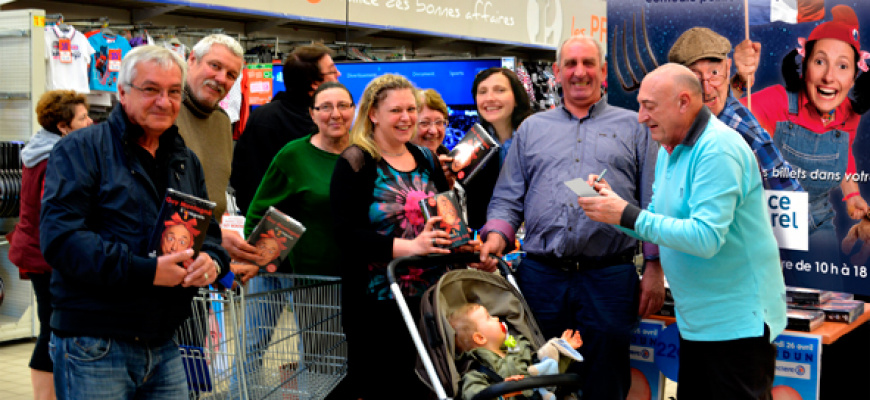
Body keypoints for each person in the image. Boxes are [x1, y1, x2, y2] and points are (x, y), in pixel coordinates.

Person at [578, 63, 787, 400]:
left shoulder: (717, 149)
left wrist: (627, 215)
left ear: (684, 102)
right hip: (698, 325)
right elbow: (660, 222)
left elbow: (705, 239)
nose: (640, 117)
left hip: (736, 329)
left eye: (649, 106)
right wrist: (613, 206)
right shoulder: (669, 149)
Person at [476, 35, 663, 400]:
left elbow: (654, 201)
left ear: (604, 72)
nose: (580, 72)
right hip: (541, 278)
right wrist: (496, 236)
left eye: (589, 63)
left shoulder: (636, 127)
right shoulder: (531, 129)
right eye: (571, 64)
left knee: (605, 381)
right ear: (557, 72)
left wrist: (655, 267)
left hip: (609, 278)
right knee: (539, 378)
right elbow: (508, 197)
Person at [39, 45, 230, 399]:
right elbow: (61, 240)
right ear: (122, 92)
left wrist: (213, 262)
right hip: (95, 342)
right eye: (151, 89)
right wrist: (147, 270)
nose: (164, 101)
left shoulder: (185, 160)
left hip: (165, 340)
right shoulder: (82, 149)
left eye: (174, 91)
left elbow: (211, 234)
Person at [330, 74, 457, 399]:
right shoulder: (356, 162)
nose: (406, 118)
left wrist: (462, 242)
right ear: (373, 113)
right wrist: (410, 247)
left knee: (429, 385)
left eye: (411, 109)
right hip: (377, 303)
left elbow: (447, 214)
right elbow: (345, 234)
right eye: (396, 110)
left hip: (429, 299)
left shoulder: (426, 159)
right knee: (383, 387)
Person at [233, 82, 355, 399]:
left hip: (335, 280)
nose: (335, 114)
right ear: (312, 114)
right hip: (281, 271)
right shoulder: (294, 155)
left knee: (322, 363)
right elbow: (259, 209)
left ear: (354, 111)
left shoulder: (362, 156)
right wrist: (261, 257)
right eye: (325, 107)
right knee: (253, 347)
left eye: (343, 105)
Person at [742, 4, 869, 272]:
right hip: (763, 220)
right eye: (820, 61)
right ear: (804, 65)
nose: (829, 77)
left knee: (826, 301)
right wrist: (741, 81)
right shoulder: (777, 101)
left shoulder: (849, 113)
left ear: (855, 76)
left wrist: (853, 194)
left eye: (842, 66)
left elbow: (843, 154)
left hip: (817, 221)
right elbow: (722, 120)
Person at [6, 89, 92, 400]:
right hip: (46, 255)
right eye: (83, 118)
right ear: (63, 127)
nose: (90, 121)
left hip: (37, 250)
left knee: (51, 325)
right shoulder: (57, 156)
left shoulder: (40, 150)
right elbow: (56, 212)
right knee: (52, 328)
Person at [667, 27, 803, 192]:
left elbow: (789, 193)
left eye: (714, 72)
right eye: (694, 78)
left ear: (728, 67)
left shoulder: (745, 133)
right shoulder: (667, 120)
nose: (707, 88)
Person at [174, 33, 261, 278]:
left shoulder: (223, 123)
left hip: (202, 261)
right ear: (191, 60)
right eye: (215, 66)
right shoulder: (166, 114)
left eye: (231, 74)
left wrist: (219, 239)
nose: (221, 78)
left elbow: (211, 198)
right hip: (169, 259)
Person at [231, 43, 341, 215]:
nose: (339, 75)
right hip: (277, 232)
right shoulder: (266, 121)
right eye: (333, 72)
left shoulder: (329, 121)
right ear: (314, 83)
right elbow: (250, 184)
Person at [452, 67, 533, 230]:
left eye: (500, 90)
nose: (489, 98)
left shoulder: (536, 137)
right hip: (487, 238)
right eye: (482, 92)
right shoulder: (471, 144)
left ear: (517, 98)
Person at [448, 303, 583, 400]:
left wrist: (563, 350)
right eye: (489, 317)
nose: (496, 318)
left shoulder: (519, 349)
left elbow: (547, 370)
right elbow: (474, 394)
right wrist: (500, 391)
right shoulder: (476, 371)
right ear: (480, 338)